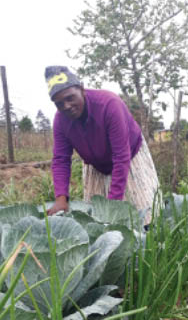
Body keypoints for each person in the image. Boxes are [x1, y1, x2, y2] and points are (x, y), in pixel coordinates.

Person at [44, 65, 160, 223]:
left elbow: (121, 156)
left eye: (70, 98)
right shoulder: (60, 121)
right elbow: (61, 159)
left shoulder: (109, 104)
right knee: (96, 221)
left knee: (145, 218)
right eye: (59, 104)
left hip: (130, 156)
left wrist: (112, 204)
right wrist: (61, 198)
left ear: (82, 89)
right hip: (96, 165)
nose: (67, 106)